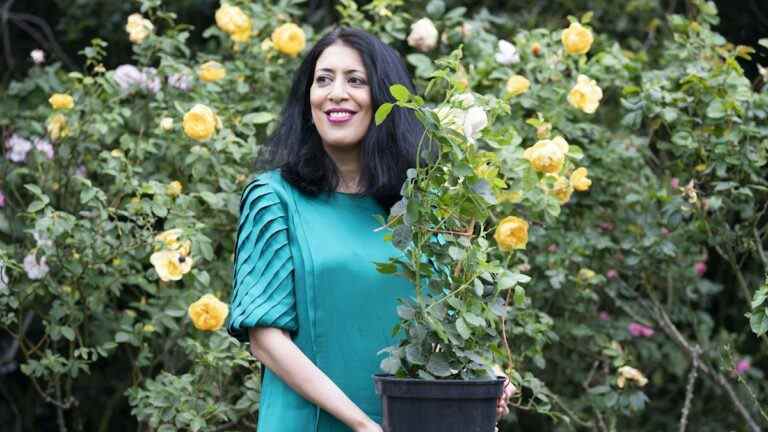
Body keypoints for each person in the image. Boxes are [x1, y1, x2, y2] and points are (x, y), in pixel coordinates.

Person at [226, 26, 513, 432]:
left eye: (355, 80)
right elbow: (265, 339)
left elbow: (444, 326)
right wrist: (362, 425)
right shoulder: (274, 199)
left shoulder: (421, 206)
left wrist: (490, 376)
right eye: (323, 79)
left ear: (385, 99)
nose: (336, 93)